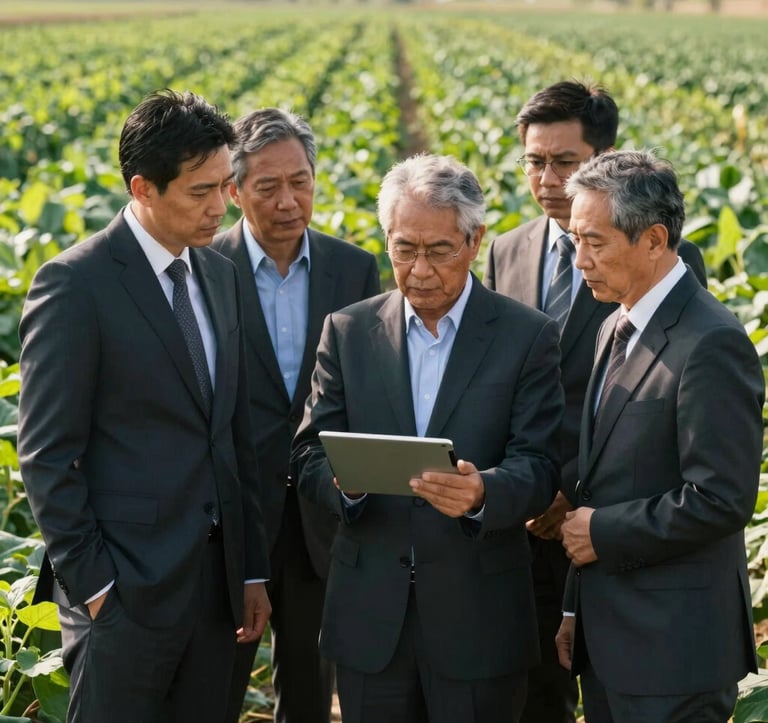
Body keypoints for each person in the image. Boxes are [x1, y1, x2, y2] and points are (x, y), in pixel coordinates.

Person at [17, 89, 271, 723]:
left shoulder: (219, 274)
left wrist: (249, 570)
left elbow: (233, 434)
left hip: (217, 596)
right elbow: (47, 455)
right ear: (143, 188)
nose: (220, 207)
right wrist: (98, 589)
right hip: (125, 598)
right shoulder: (75, 284)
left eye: (224, 185)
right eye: (200, 192)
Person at [291, 153, 565, 723]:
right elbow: (308, 450)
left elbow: (540, 463)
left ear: (474, 240)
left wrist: (484, 492)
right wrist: (344, 483)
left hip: (479, 620)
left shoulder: (526, 337)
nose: (419, 269)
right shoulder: (348, 331)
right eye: (403, 249)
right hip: (371, 624)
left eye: (439, 251)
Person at [483, 80, 707, 723]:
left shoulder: (664, 258)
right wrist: (523, 488)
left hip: (613, 523)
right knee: (532, 689)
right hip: (524, 518)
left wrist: (571, 494)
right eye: (534, 161)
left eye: (565, 162)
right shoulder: (506, 250)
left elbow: (656, 393)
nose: (547, 179)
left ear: (602, 159)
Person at [556, 149, 763, 722]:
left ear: (652, 240)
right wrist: (576, 610)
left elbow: (722, 499)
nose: (580, 261)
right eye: (576, 240)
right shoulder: (613, 325)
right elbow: (600, 481)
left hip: (675, 654)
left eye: (595, 242)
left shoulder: (710, 342)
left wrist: (603, 531)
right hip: (611, 645)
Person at [212, 107, 381, 723]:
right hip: (233, 522)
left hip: (320, 514)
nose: (289, 201)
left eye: (301, 181)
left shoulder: (354, 267)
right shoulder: (204, 268)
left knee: (310, 688)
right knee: (218, 684)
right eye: (267, 186)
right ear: (233, 192)